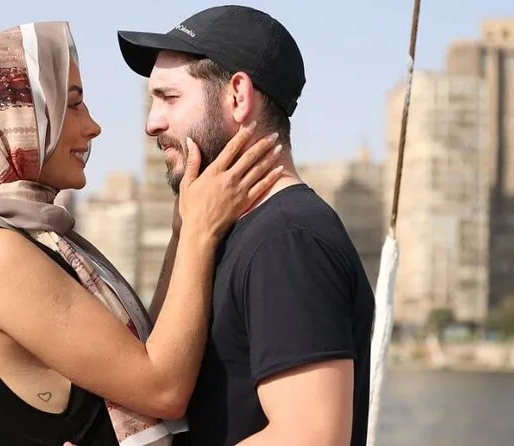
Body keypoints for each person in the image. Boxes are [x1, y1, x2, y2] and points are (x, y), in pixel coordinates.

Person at [0, 21, 284, 446]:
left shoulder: (34, 236)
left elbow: (150, 351)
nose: (93, 126)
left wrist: (181, 232)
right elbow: (163, 390)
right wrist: (198, 232)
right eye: (73, 104)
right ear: (12, 119)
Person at [117, 5, 376, 446]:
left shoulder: (287, 239)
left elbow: (310, 436)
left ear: (238, 96)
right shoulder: (229, 232)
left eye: (169, 98)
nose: (151, 123)